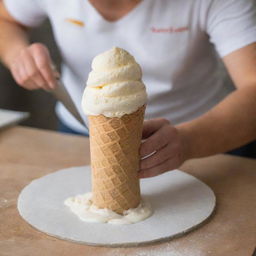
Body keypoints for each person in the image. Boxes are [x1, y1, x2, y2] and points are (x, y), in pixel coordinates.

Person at [0, 0, 256, 178]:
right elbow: (6, 19)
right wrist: (16, 53)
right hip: (80, 132)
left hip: (206, 140)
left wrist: (190, 141)